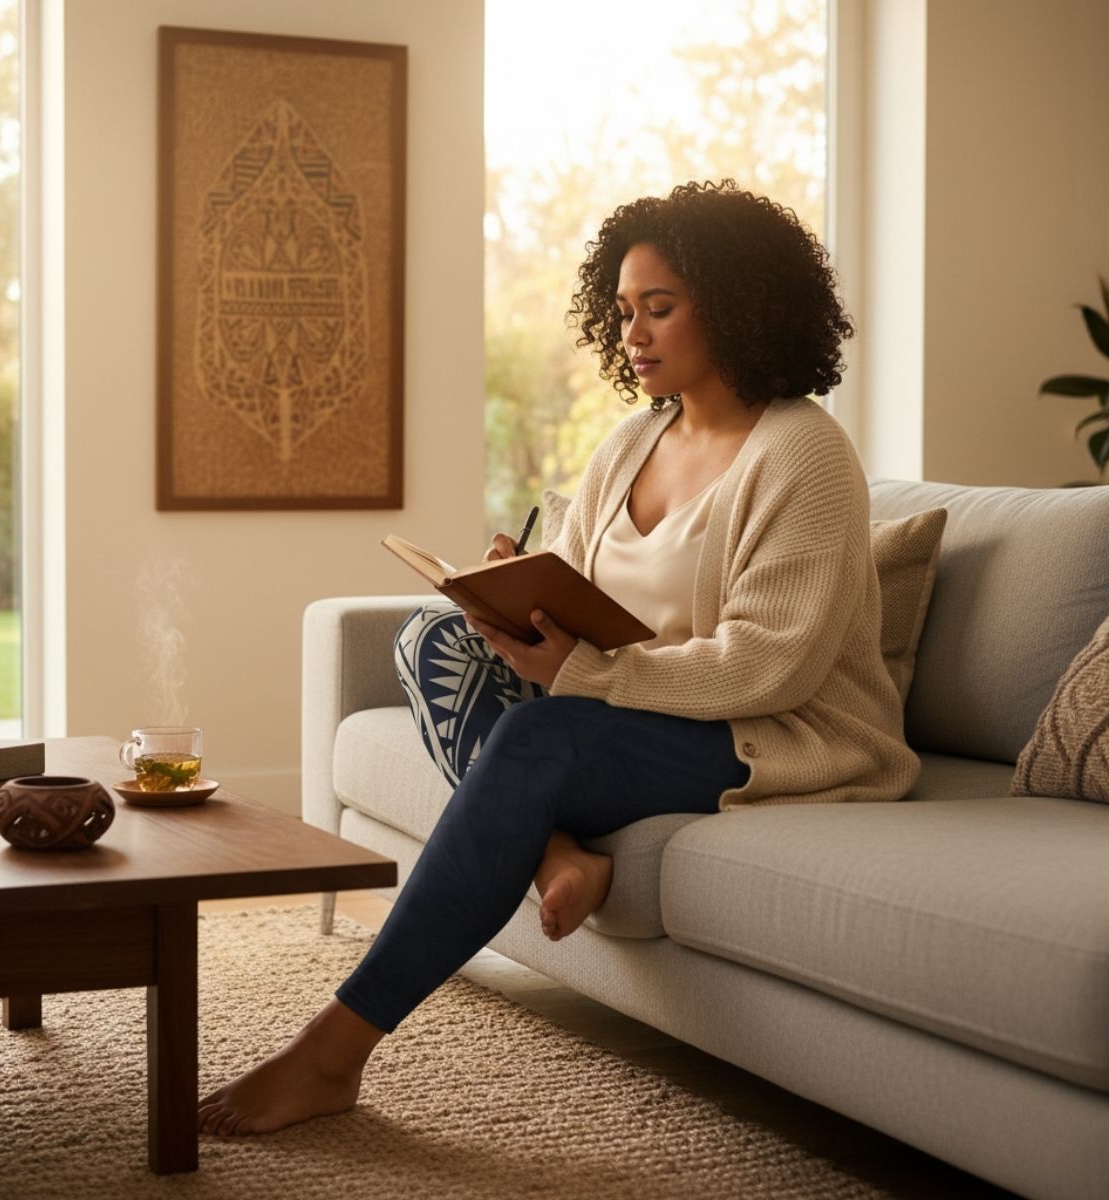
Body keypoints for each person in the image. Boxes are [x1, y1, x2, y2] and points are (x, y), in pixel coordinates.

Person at [197, 179, 920, 1138]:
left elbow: (768, 667)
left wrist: (584, 674)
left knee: (541, 739)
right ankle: (554, 855)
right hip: (643, 711)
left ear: (740, 304)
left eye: (658, 308)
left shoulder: (805, 455)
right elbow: (584, 593)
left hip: (768, 734)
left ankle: (334, 1052)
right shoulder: (631, 441)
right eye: (623, 311)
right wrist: (516, 592)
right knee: (433, 639)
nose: (634, 332)